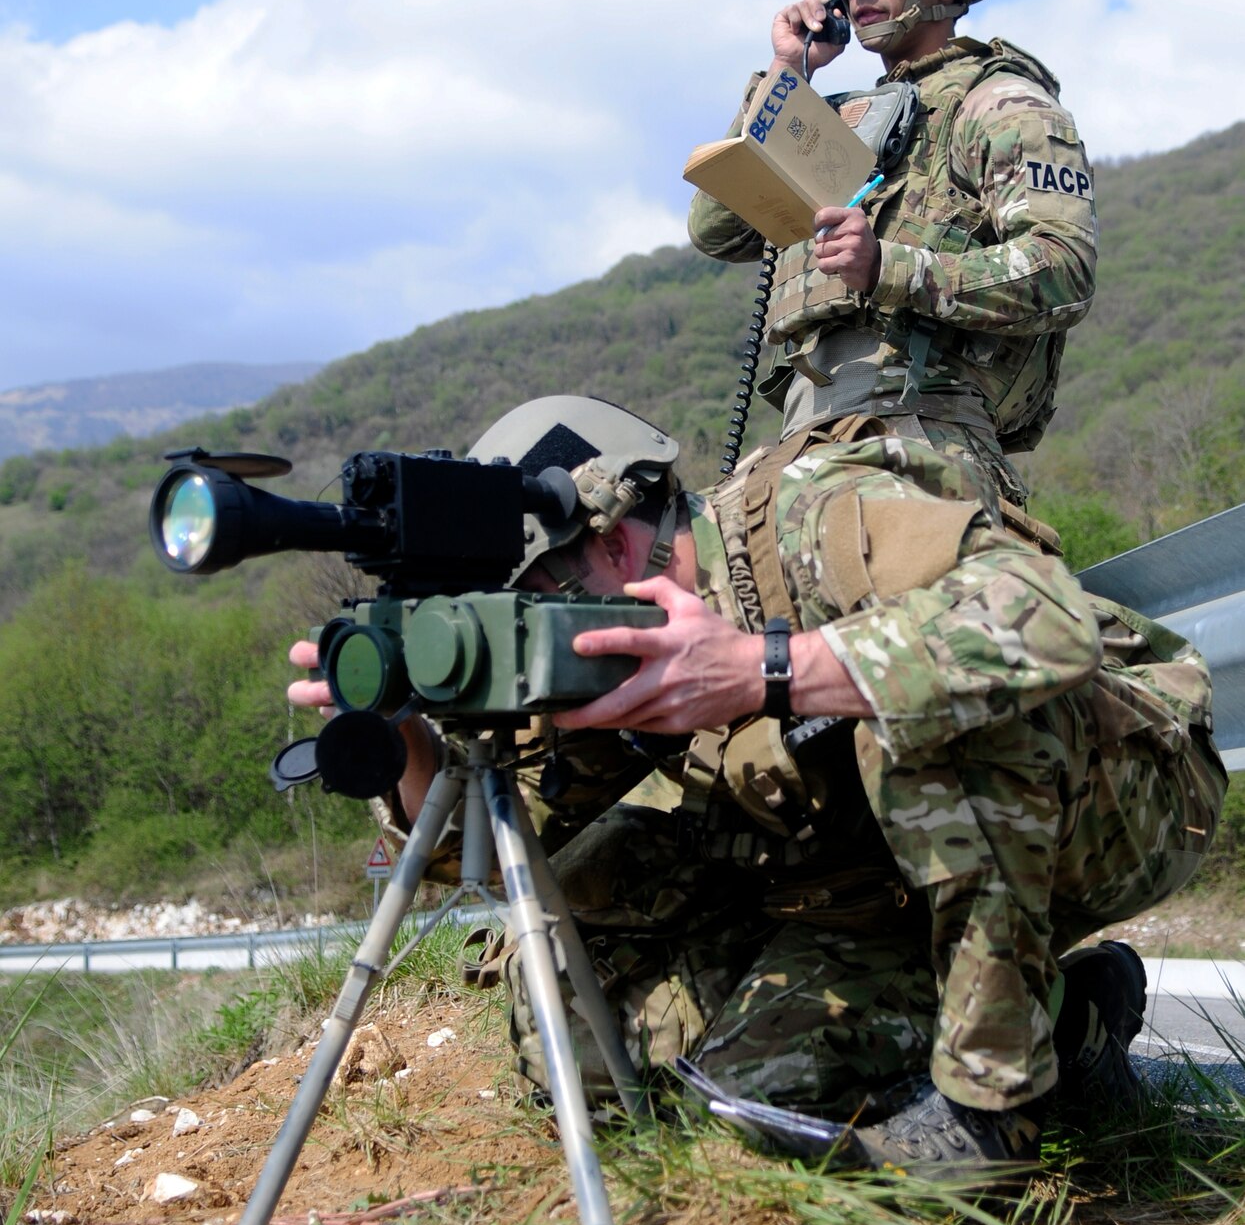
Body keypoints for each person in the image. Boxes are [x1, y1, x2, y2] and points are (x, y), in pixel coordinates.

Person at [289, 395, 1226, 1179]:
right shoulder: (588, 643)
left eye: (532, 594)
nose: (523, 631)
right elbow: (485, 850)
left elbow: (1050, 622)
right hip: (875, 880)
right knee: (702, 1100)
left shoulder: (814, 512)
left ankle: (994, 1114)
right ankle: (1066, 1019)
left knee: (922, 707)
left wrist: (760, 670)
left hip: (1118, 792)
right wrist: (401, 727)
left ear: (612, 541)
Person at [687, 0, 1096, 534]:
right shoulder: (841, 122)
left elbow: (1064, 270)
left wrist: (888, 267)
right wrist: (788, 74)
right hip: (805, 446)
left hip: (926, 444)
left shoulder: (999, 102)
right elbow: (717, 229)